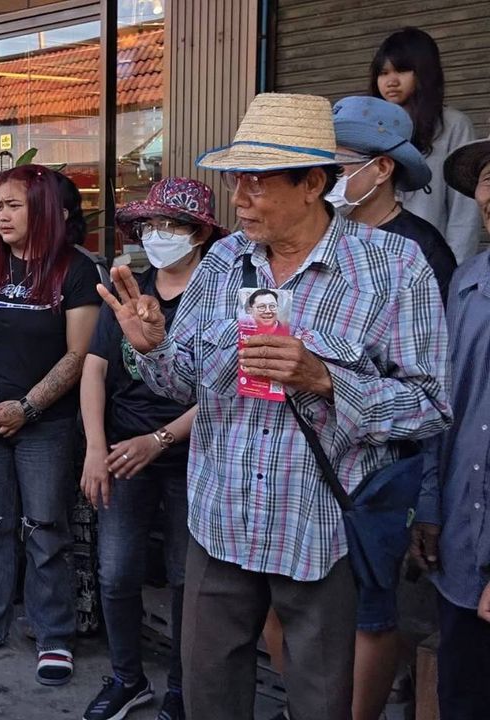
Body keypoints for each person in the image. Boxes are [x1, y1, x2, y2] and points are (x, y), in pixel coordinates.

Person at [99, 93, 450, 719]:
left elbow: (430, 406)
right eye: (237, 179)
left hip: (319, 529)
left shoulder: (394, 269)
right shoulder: (224, 261)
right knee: (209, 696)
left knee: (321, 702)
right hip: (219, 521)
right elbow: (183, 382)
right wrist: (151, 349)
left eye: (258, 181)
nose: (239, 198)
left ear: (313, 183)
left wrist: (326, 380)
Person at [259, 93, 459, 720]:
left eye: (339, 165)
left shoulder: (417, 252)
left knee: (369, 612)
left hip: (377, 473)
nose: (327, 178)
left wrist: (428, 498)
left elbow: (431, 388)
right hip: (287, 475)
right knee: (280, 613)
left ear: (383, 168)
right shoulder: (291, 244)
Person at [0, 165, 100, 687]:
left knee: (45, 529)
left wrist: (28, 408)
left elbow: (79, 354)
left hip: (45, 425)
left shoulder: (76, 270)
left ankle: (52, 633)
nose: (2, 216)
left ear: (45, 210)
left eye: (14, 205)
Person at [80, 178, 223, 720]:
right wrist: (96, 448)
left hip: (195, 456)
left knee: (189, 580)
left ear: (200, 233)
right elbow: (94, 370)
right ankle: (127, 677)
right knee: (116, 572)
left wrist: (160, 439)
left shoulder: (220, 295)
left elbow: (226, 390)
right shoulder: (129, 291)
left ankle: (184, 689)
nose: (159, 235)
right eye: (151, 225)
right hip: (123, 452)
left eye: (172, 225)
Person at [412, 137, 490, 720]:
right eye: (489, 181)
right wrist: (430, 505)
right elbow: (443, 405)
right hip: (463, 546)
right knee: (462, 697)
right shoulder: (465, 283)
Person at [370, 27, 481, 264]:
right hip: (372, 260)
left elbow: (464, 211)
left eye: (402, 70)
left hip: (430, 260)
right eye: (383, 72)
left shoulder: (453, 125)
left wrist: (454, 270)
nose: (391, 81)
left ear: (424, 72)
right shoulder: (366, 127)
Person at [330, 95, 456, 297]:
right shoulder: (316, 232)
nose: (322, 178)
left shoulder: (422, 250)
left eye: (335, 167)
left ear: (382, 169)